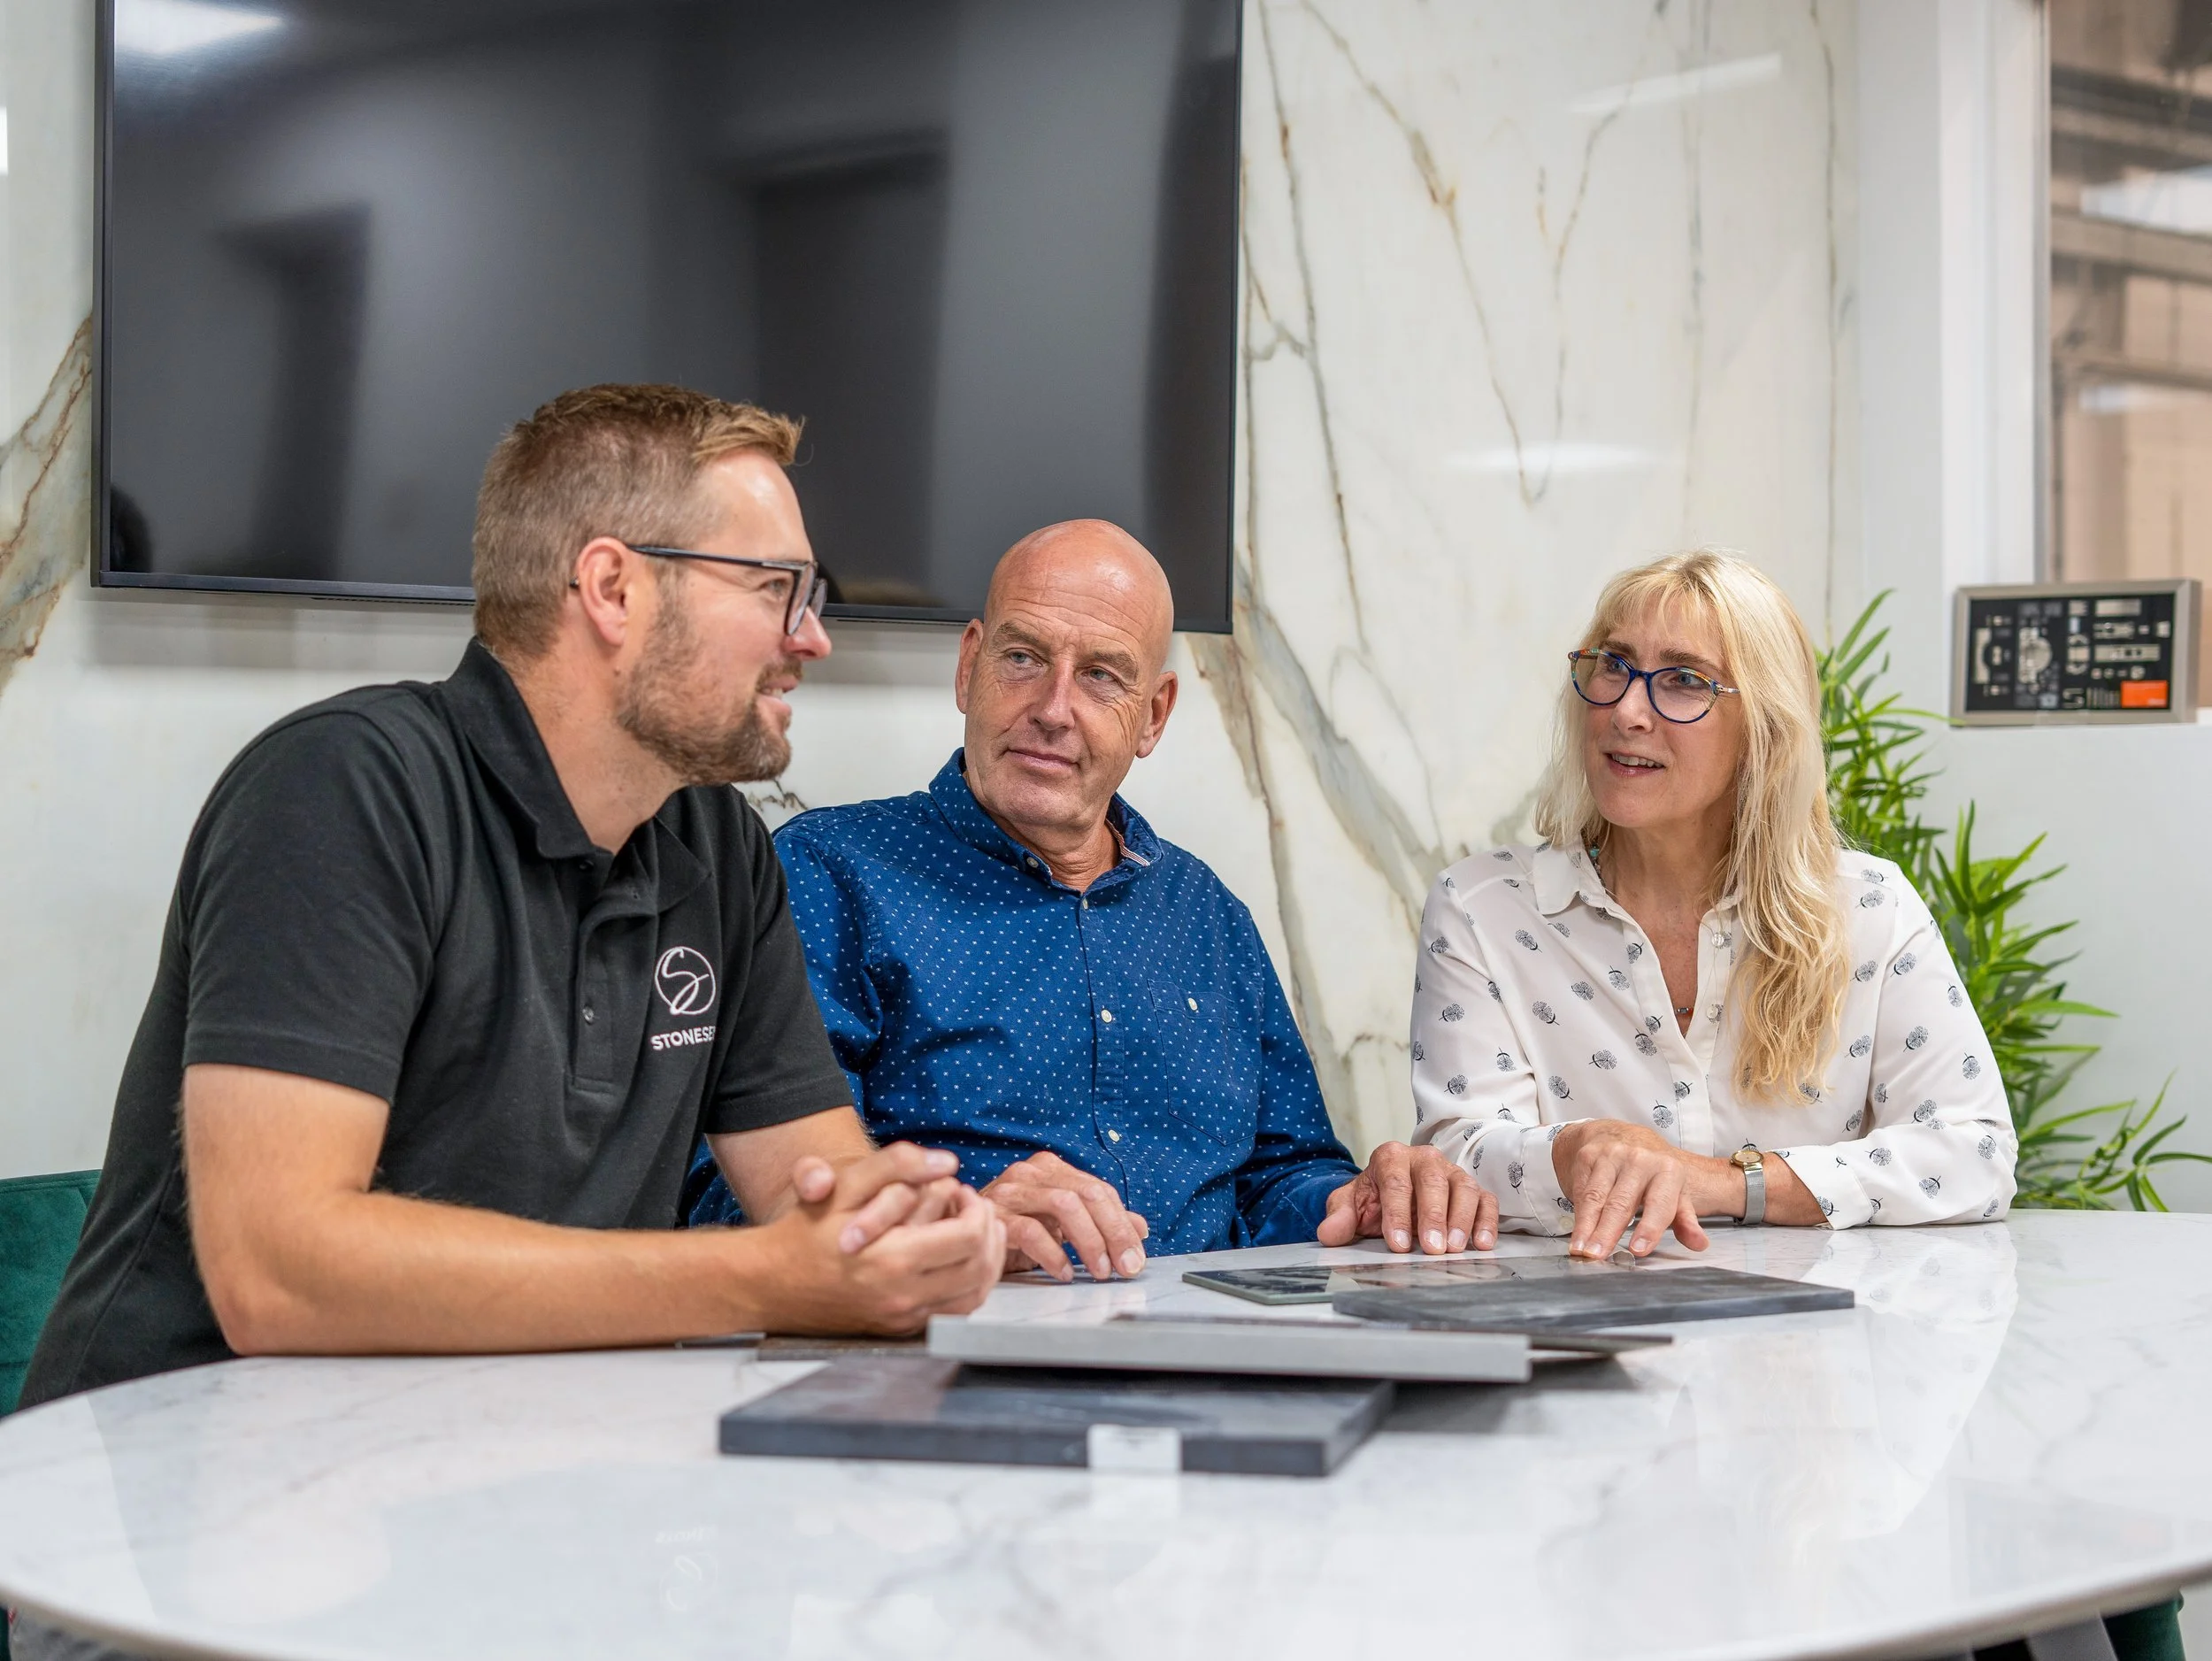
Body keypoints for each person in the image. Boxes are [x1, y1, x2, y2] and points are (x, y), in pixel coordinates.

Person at [20, 385, 1006, 1415]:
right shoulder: (341, 788)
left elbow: (824, 1197)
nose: (813, 637)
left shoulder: (722, 846)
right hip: (176, 1493)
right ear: (613, 587)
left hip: (501, 1472)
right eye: (775, 586)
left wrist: (921, 1233)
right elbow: (277, 1271)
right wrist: (761, 1275)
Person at [686, 519, 1495, 1273]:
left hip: (1214, 1354)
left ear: (1154, 716)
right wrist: (964, 1227)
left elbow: (1280, 1174)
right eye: (1024, 657)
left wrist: (1358, 1197)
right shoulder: (829, 875)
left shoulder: (1209, 914)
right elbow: (738, 1196)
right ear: (969, 666)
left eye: (1102, 676)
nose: (1053, 709)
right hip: (951, 1349)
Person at [1408, 550, 2016, 1258]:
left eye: (1684, 680)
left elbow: (1974, 1154)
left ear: (1765, 728)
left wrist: (1724, 1184)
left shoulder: (1870, 908)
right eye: (1613, 664)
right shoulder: (1483, 910)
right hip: (1588, 1338)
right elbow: (1458, 1159)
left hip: (1813, 1351)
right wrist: (1578, 1150)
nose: (1628, 710)